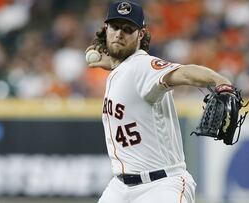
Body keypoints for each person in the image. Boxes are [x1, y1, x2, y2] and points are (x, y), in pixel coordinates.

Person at [86, 1, 231, 203]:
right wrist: (113, 63)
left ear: (141, 35)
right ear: (106, 29)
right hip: (120, 188)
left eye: (128, 29)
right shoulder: (124, 70)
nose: (119, 34)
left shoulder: (143, 66)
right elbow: (128, 73)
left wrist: (220, 81)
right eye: (115, 27)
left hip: (160, 186)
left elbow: (184, 73)